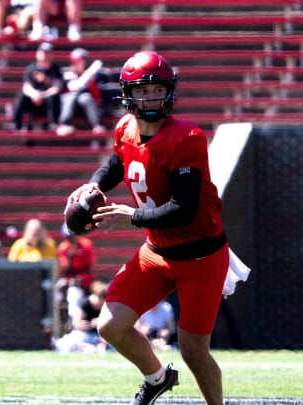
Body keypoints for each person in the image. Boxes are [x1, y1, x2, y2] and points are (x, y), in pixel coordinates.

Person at [66, 51, 230, 405]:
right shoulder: (125, 127)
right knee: (109, 326)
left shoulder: (187, 136)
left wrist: (133, 217)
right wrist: (93, 184)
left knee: (193, 351)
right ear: (128, 94)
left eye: (157, 89)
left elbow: (184, 209)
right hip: (157, 251)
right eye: (143, 90)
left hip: (199, 255)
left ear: (169, 92)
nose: (151, 97)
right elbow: (116, 163)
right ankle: (157, 378)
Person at [10, 42, 63, 132]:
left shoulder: (56, 69)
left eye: (48, 53)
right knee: (21, 95)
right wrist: (34, 95)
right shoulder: (31, 68)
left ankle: (54, 124)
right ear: (37, 54)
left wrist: (44, 86)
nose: (45, 56)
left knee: (53, 97)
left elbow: (57, 88)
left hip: (47, 101)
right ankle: (15, 124)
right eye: (43, 52)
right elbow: (26, 87)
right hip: (32, 101)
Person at [56, 48, 107, 137]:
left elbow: (98, 98)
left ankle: (97, 125)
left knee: (85, 97)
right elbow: (66, 91)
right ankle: (64, 124)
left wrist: (91, 83)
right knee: (71, 96)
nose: (76, 64)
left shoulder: (93, 76)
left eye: (79, 61)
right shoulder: (67, 75)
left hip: (86, 108)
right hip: (69, 107)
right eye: (75, 62)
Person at [53, 280, 108, 353]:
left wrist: (101, 322)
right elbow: (76, 324)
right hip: (84, 335)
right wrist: (90, 324)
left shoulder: (107, 307)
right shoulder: (84, 304)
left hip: (100, 336)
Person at [55, 222, 95, 320]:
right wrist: (69, 256)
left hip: (83, 277)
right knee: (59, 287)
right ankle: (60, 317)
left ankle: (75, 318)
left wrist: (80, 279)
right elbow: (63, 270)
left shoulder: (86, 245)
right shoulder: (62, 248)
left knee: (75, 291)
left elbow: (89, 268)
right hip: (69, 277)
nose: (71, 239)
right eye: (68, 237)